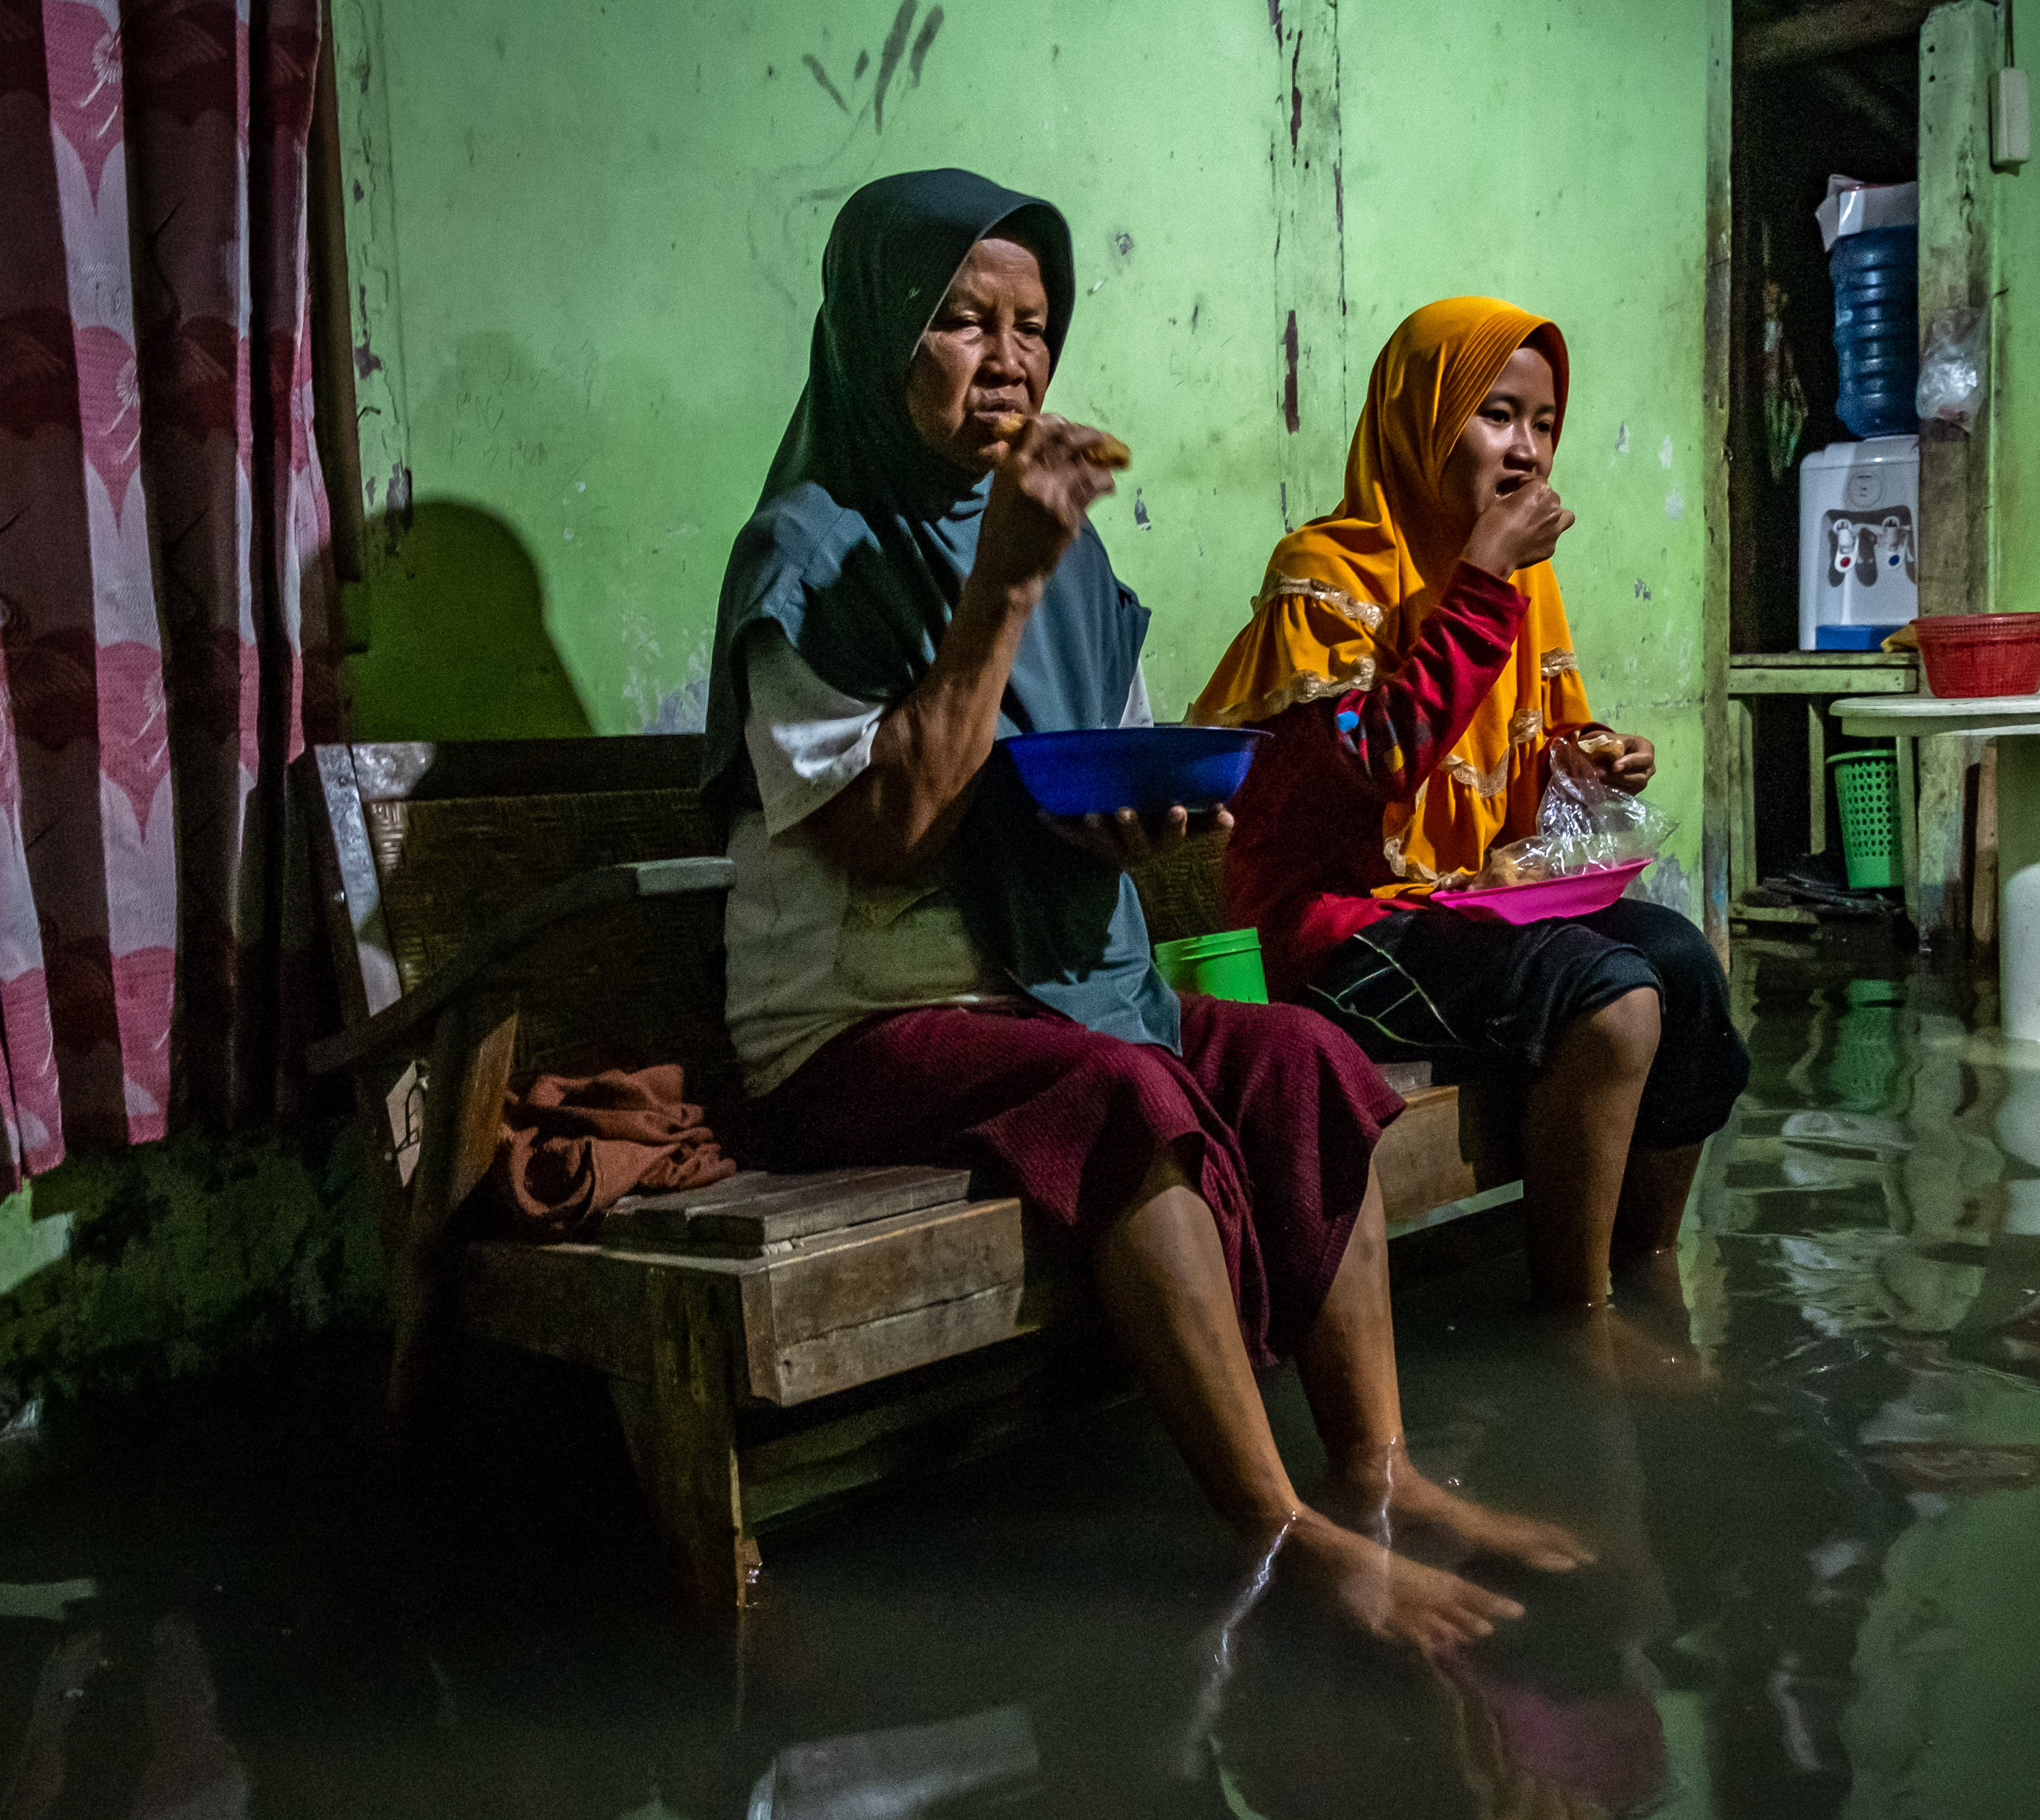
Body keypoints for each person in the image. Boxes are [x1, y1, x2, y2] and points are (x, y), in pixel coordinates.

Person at [703, 172, 1583, 1651]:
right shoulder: (806, 551)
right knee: (1125, 1094)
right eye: (961, 323)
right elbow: (888, 833)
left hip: (1059, 979)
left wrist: (1140, 821)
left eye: (1033, 327)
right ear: (872, 338)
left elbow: (1089, 774)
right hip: (859, 1023)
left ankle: (1374, 1473)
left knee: (1303, 1061)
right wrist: (998, 581)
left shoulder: (1075, 559)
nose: (1009, 361)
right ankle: (1274, 1525)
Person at [1190, 298, 1751, 1312]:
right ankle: (1577, 1319)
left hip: (1463, 908)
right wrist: (1485, 577)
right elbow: (1377, 759)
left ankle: (1651, 1275)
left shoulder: (1521, 584)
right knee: (1615, 1001)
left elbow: (1537, 754)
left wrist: (1599, 761)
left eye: (1543, 423)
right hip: (1332, 931)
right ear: (1421, 417)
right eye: (1496, 414)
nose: (1528, 451)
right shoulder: (1323, 573)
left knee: (1686, 969)